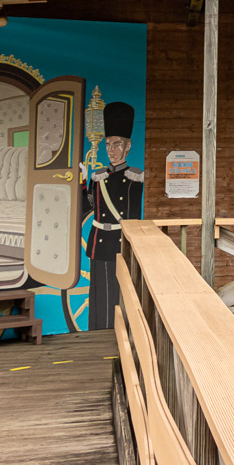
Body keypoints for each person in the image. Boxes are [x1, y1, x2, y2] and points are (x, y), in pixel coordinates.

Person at [82, 100, 144, 330]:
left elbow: (134, 214)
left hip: (120, 242)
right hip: (99, 241)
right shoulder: (98, 177)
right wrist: (81, 182)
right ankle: (99, 331)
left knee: (121, 290)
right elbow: (86, 207)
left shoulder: (135, 177)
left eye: (117, 144)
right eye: (108, 144)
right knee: (100, 291)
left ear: (127, 147)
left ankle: (121, 329)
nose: (111, 149)